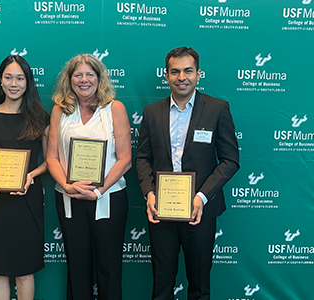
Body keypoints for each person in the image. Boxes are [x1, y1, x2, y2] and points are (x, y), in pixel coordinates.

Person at [136, 47, 240, 300]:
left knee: (200, 286)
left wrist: (201, 197)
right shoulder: (151, 112)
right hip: (161, 211)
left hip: (201, 211)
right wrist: (149, 193)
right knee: (161, 285)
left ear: (198, 74)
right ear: (166, 75)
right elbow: (142, 158)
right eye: (175, 71)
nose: (181, 77)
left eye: (188, 71)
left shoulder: (217, 109)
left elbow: (230, 160)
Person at [47, 53, 131, 300]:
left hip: (108, 199)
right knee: (77, 266)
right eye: (78, 75)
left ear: (99, 78)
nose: (84, 80)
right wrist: (65, 185)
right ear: (70, 79)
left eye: (90, 74)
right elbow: (51, 157)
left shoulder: (114, 108)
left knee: (109, 267)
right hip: (69, 199)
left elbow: (125, 158)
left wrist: (99, 189)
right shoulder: (60, 110)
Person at [0, 55, 50, 300]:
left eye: (20, 78)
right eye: (8, 77)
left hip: (26, 201)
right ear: (0, 81)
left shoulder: (40, 117)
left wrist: (31, 175)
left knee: (24, 271)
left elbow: (50, 161)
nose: (13, 83)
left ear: (28, 82)